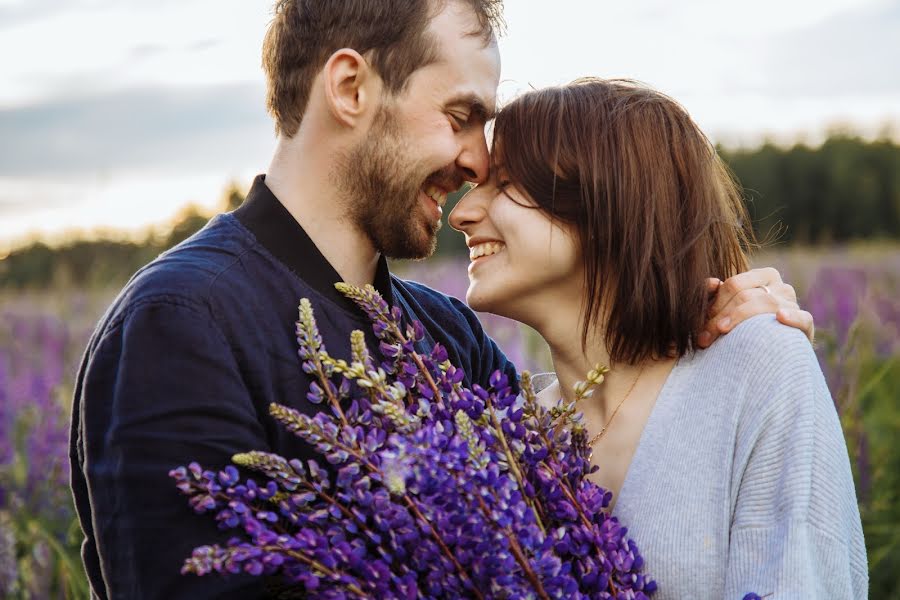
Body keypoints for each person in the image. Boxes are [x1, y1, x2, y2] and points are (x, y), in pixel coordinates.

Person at [69, 2, 813, 599]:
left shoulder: (445, 333)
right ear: (351, 88)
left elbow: (580, 501)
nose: (478, 160)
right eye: (461, 116)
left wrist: (720, 323)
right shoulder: (182, 321)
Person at [449, 78, 867, 598]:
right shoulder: (515, 434)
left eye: (504, 183)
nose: (460, 213)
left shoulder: (756, 366)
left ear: (607, 200)